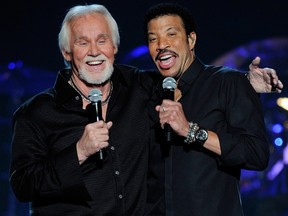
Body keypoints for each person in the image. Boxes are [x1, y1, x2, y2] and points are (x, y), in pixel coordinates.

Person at [9, 3, 283, 216]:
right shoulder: (35, 113)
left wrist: (243, 83)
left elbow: (199, 80)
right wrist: (78, 152)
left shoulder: (138, 87)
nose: (94, 51)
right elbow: (22, 185)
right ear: (66, 52)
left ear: (114, 47)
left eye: (102, 40)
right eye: (82, 42)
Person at [143, 3, 283, 216]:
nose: (162, 44)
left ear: (191, 40)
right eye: (153, 38)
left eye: (171, 34)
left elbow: (256, 154)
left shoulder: (227, 83)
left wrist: (191, 131)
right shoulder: (147, 91)